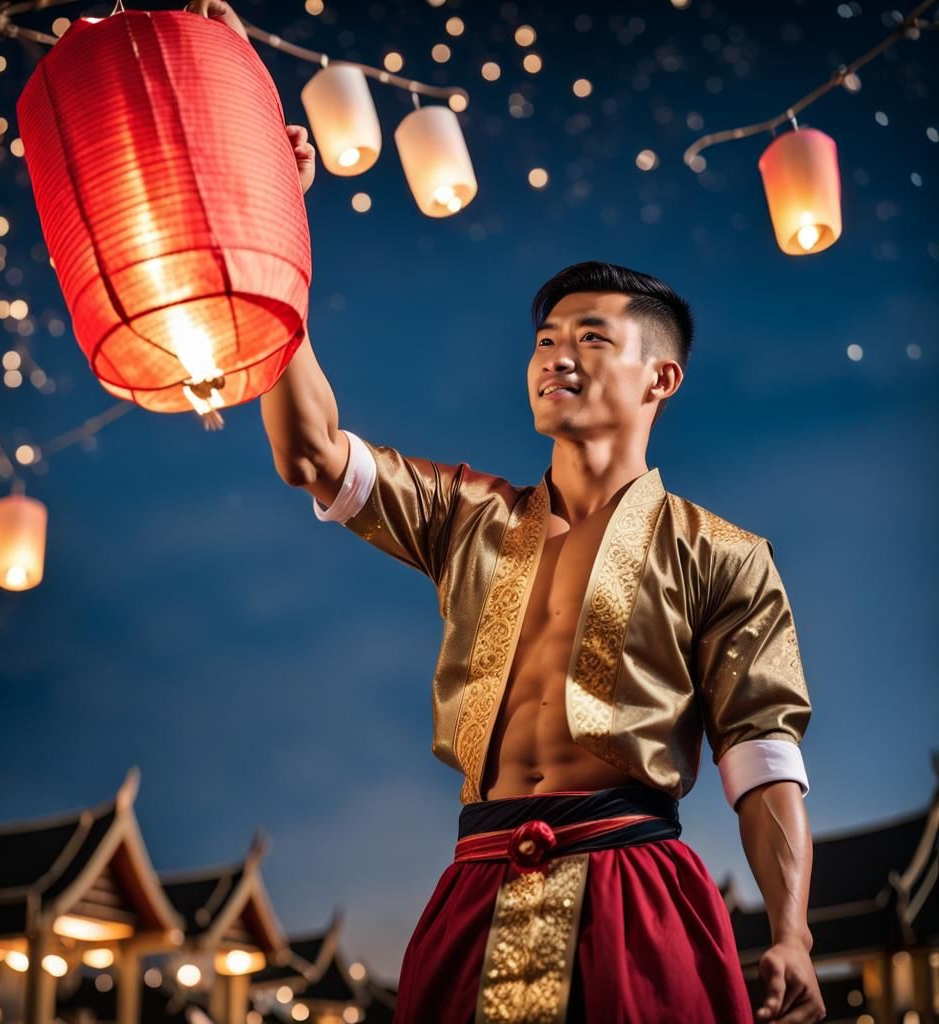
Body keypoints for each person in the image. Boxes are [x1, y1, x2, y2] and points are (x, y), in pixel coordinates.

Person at [186, 4, 827, 1020]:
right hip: (476, 880)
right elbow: (311, 453)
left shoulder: (723, 556)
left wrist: (790, 930)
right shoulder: (466, 516)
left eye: (590, 337)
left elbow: (761, 758)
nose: (554, 354)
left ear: (661, 376)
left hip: (637, 885)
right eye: (542, 339)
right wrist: (277, 240)